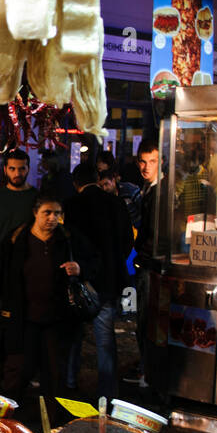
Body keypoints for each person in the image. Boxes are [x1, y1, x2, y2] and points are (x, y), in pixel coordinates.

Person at [0, 190, 100, 426]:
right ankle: (8, 426)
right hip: (23, 320)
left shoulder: (68, 238)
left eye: (57, 213)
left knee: (55, 376)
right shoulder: (16, 239)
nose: (52, 218)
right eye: (47, 212)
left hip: (58, 321)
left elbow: (95, 262)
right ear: (35, 213)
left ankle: (53, 427)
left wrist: (80, 269)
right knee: (17, 373)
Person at [63, 161, 134, 401]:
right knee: (105, 339)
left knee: (74, 335)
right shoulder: (116, 203)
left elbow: (69, 243)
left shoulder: (71, 205)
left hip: (80, 280)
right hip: (109, 280)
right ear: (97, 178)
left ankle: (69, 383)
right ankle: (107, 394)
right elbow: (128, 241)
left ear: (76, 183)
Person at [0, 149, 38, 386]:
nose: (17, 173)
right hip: (2, 268)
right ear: (5, 170)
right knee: (2, 319)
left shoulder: (36, 198)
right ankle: (1, 371)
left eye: (21, 168)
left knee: (27, 319)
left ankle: (22, 371)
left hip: (30, 268)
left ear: (28, 169)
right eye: (12, 168)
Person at [128, 138, 160, 387]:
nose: (146, 167)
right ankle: (146, 370)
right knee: (142, 320)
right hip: (145, 262)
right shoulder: (146, 189)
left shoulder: (160, 192)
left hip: (152, 265)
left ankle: (149, 374)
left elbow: (154, 232)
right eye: (142, 161)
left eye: (152, 161)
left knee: (148, 322)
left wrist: (141, 251)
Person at [96, 149, 142, 230]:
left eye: (106, 184)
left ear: (113, 179)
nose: (104, 188)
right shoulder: (102, 195)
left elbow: (143, 209)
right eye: (101, 186)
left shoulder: (129, 189)